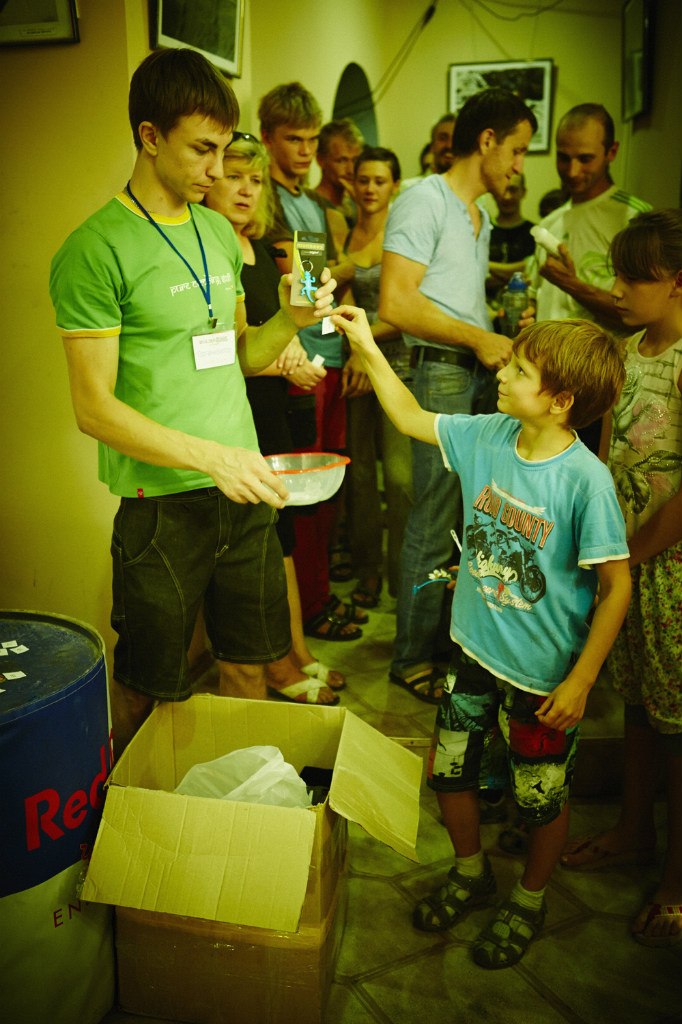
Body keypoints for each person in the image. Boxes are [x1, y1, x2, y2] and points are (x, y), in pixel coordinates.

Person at [49, 49, 336, 756]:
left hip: (242, 492)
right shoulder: (94, 249)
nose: (218, 169)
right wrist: (211, 457)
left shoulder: (215, 231)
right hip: (160, 506)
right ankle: (144, 825)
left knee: (247, 663)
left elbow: (238, 351)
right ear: (149, 136)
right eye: (202, 149)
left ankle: (238, 809)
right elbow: (94, 407)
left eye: (223, 149)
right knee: (153, 682)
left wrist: (292, 322)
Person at [331, 303, 632, 968]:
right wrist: (365, 345)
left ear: (560, 401)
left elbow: (617, 586)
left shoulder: (586, 482)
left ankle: (528, 898)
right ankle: (470, 872)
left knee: (540, 796)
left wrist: (581, 679)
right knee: (450, 773)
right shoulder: (489, 435)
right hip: (469, 652)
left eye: (520, 369)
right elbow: (410, 418)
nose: (503, 370)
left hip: (542, 679)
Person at [379, 88, 537, 705]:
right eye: (518, 150)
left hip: (470, 367)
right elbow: (397, 301)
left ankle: (449, 638)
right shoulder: (425, 199)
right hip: (440, 370)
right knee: (433, 512)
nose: (520, 165)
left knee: (473, 512)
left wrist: (497, 330)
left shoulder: (484, 217)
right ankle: (410, 654)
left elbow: (449, 296)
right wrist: (480, 338)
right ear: (488, 141)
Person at [561, 209, 682, 948]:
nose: (617, 289)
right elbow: (603, 459)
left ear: (675, 283)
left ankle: (676, 877)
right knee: (638, 703)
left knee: (677, 725)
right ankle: (634, 831)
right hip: (627, 562)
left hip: (668, 566)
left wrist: (636, 554)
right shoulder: (630, 352)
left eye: (633, 278)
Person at [203, 132, 347, 705]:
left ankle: (296, 655)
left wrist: (302, 342)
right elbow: (216, 350)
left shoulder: (261, 248)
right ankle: (279, 664)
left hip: (279, 403)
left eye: (254, 180)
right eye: (234, 175)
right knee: (263, 540)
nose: (244, 189)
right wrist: (276, 362)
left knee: (282, 534)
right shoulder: (210, 252)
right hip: (241, 411)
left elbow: (305, 315)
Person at [258, 81, 367, 640]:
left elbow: (318, 285)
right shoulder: (265, 199)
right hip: (291, 361)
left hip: (325, 350)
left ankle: (320, 598)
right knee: (300, 498)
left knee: (328, 492)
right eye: (292, 139)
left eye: (310, 139)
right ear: (269, 137)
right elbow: (299, 285)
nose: (303, 150)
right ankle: (308, 612)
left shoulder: (311, 202)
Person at [336, 146, 412, 607]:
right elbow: (337, 295)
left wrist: (366, 349)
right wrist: (354, 352)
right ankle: (367, 571)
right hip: (353, 362)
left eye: (379, 181)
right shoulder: (341, 229)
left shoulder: (404, 232)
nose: (369, 189)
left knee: (400, 479)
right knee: (359, 473)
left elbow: (407, 312)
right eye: (362, 180)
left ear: (395, 186)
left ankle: (403, 575)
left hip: (397, 363)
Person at [531, 103, 651, 328]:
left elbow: (646, 315)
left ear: (611, 152)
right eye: (564, 158)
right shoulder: (549, 223)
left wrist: (571, 284)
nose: (572, 171)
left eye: (585, 159)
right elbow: (534, 298)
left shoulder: (636, 219)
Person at [486, 172, 535, 304]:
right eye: (502, 189)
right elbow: (473, 276)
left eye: (513, 189)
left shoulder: (535, 233)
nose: (507, 196)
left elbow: (531, 270)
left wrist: (486, 265)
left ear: (523, 192)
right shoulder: (482, 229)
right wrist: (516, 273)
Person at [314, 117, 364, 238]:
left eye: (355, 160)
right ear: (321, 160)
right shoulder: (311, 207)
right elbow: (308, 257)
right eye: (341, 160)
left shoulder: (354, 204)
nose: (351, 170)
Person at [400, 112, 456, 191]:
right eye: (443, 138)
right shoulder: (409, 187)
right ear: (432, 146)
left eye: (455, 139)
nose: (449, 145)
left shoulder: (474, 195)